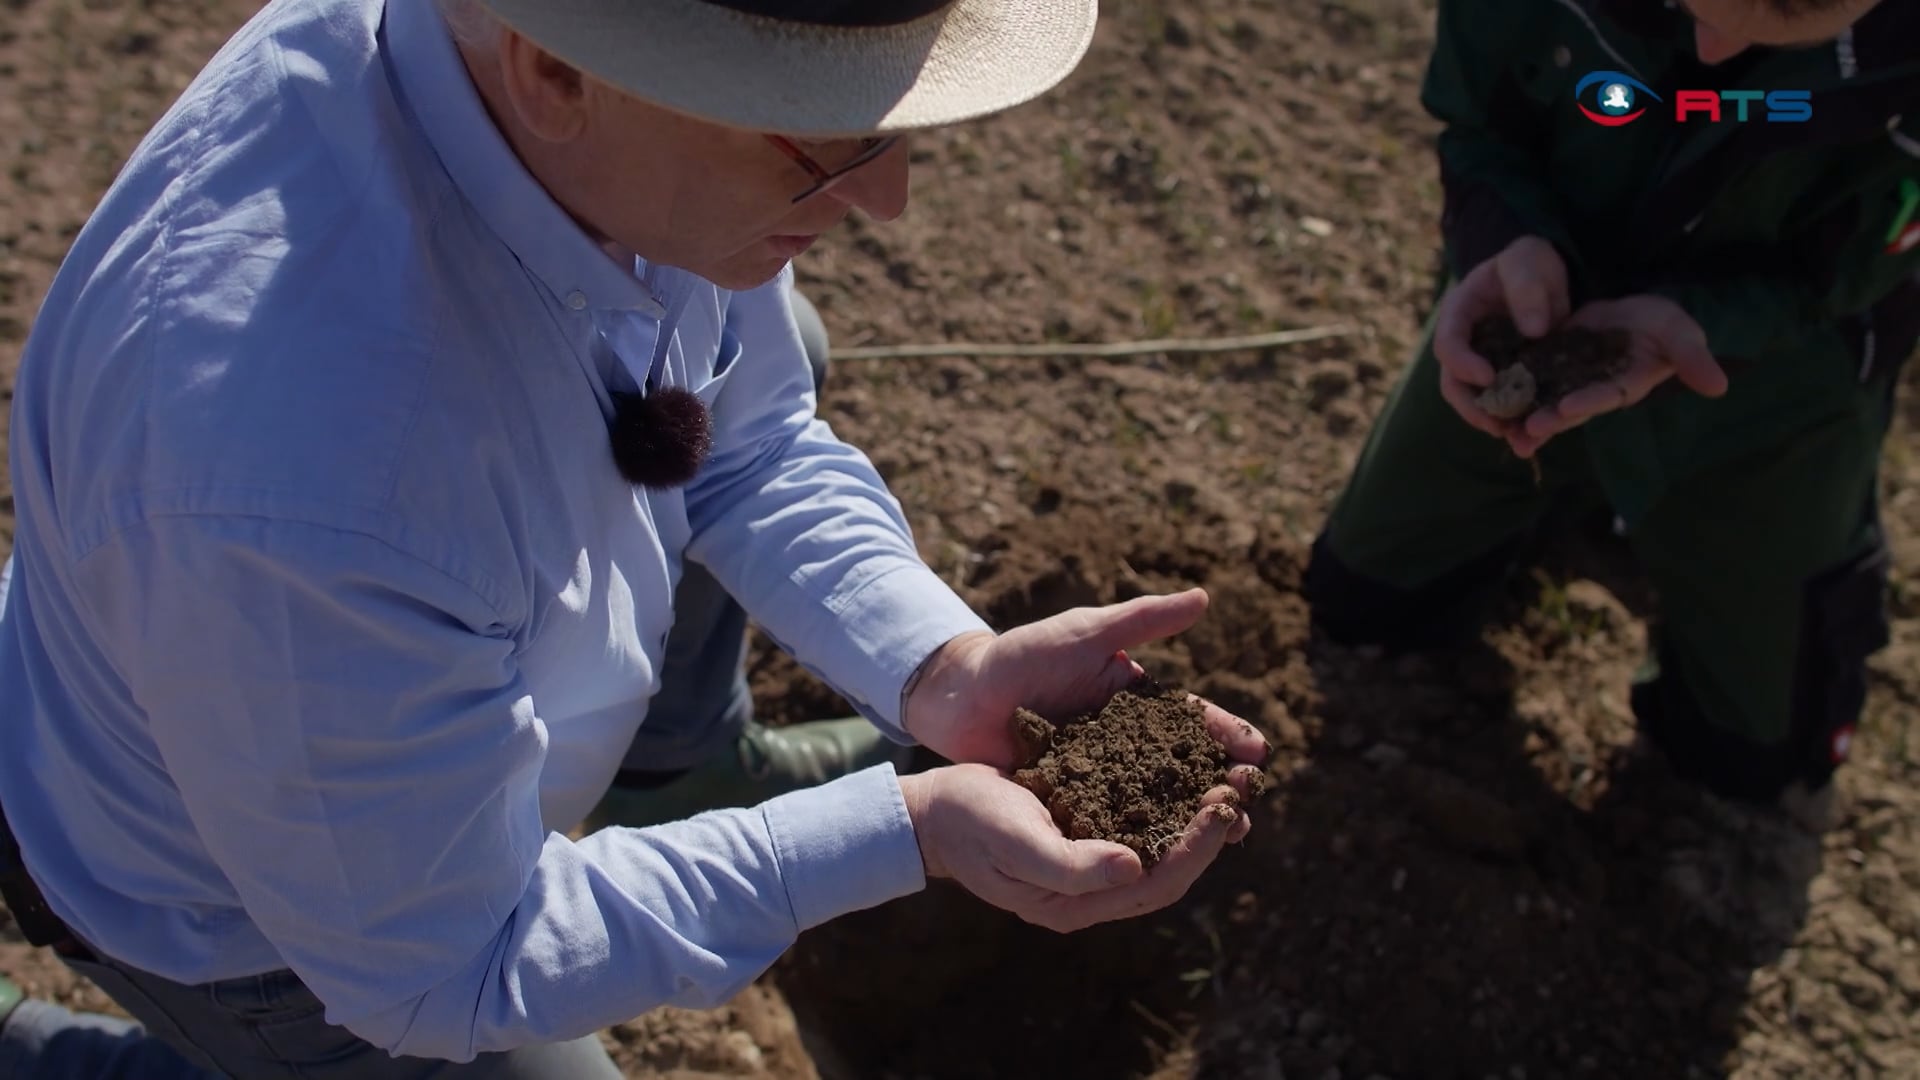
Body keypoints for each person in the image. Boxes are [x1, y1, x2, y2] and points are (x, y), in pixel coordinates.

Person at [0, 0, 1273, 1075]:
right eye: (826, 149)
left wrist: (945, 671)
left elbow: (751, 431)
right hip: (258, 917)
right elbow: (449, 967)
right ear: (558, 68)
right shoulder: (309, 485)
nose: (885, 201)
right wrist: (912, 832)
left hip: (365, 699)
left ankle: (674, 768)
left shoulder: (569, 103)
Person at [1304, 0, 1918, 806]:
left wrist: (1703, 319)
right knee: (1363, 602)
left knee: (1747, 760)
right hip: (1542, 309)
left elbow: (1850, 275)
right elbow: (1478, 121)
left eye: (1789, 23)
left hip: (1773, 388)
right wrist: (1500, 237)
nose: (1713, 46)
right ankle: (1558, 510)